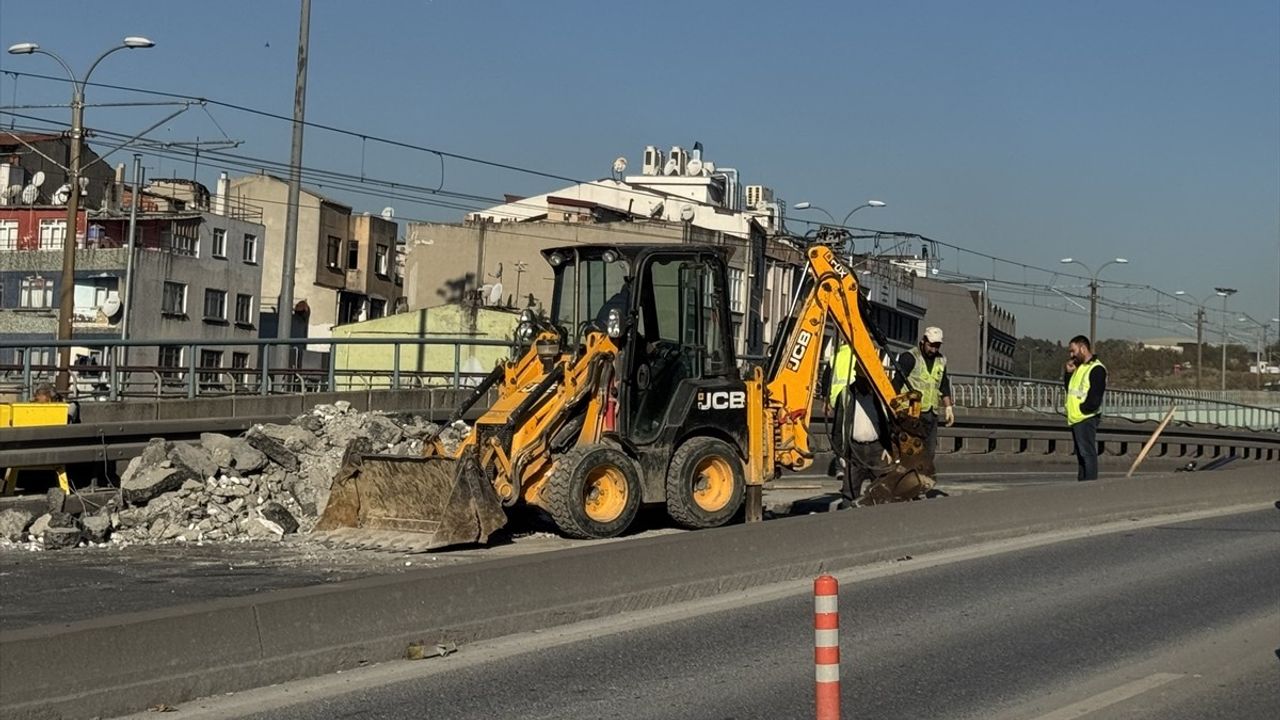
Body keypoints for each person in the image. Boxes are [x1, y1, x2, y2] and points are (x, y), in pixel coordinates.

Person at [827, 341, 891, 508]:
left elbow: (887, 423)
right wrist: (840, 454)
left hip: (876, 449)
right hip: (854, 451)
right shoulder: (846, 395)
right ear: (856, 375)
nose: (866, 383)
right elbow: (838, 426)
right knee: (849, 494)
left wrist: (888, 448)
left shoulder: (878, 396)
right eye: (864, 379)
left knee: (884, 490)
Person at [894, 327, 954, 468]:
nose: (933, 350)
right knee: (912, 451)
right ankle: (908, 481)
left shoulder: (941, 361)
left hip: (931, 413)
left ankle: (919, 482)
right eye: (931, 345)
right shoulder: (909, 357)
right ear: (923, 341)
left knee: (929, 451)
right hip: (912, 413)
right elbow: (896, 384)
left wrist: (948, 407)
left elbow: (943, 384)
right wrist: (894, 407)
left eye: (937, 346)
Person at [1064, 334, 1107, 481]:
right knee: (1081, 455)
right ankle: (1082, 483)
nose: (1071, 355)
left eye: (1073, 351)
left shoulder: (1096, 369)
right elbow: (1070, 389)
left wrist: (1084, 408)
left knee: (1087, 453)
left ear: (1083, 348)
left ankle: (1089, 485)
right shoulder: (1080, 368)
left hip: (1086, 417)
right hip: (1077, 418)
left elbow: (1095, 396)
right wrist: (1068, 374)